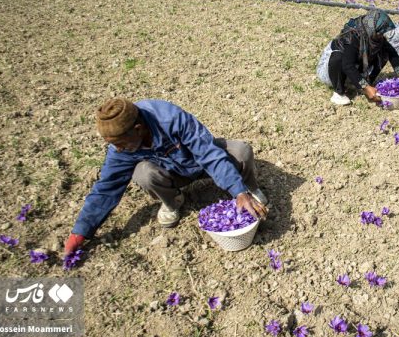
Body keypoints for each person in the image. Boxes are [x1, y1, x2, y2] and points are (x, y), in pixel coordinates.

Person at [63, 98, 268, 254]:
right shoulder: (121, 148)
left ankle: (248, 189)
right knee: (144, 174)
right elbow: (107, 187)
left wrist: (238, 190)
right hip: (173, 175)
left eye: (121, 143)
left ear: (138, 129)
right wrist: (80, 232)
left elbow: (208, 154)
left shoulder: (170, 118)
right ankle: (173, 200)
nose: (118, 149)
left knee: (241, 151)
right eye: (113, 144)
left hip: (201, 163)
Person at [316, 9, 399, 106]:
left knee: (383, 51)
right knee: (339, 56)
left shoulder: (373, 35)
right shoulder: (352, 36)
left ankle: (365, 83)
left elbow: (392, 52)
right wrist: (365, 87)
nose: (382, 36)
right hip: (331, 72)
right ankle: (339, 93)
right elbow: (347, 65)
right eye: (380, 33)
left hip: (351, 69)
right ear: (374, 29)